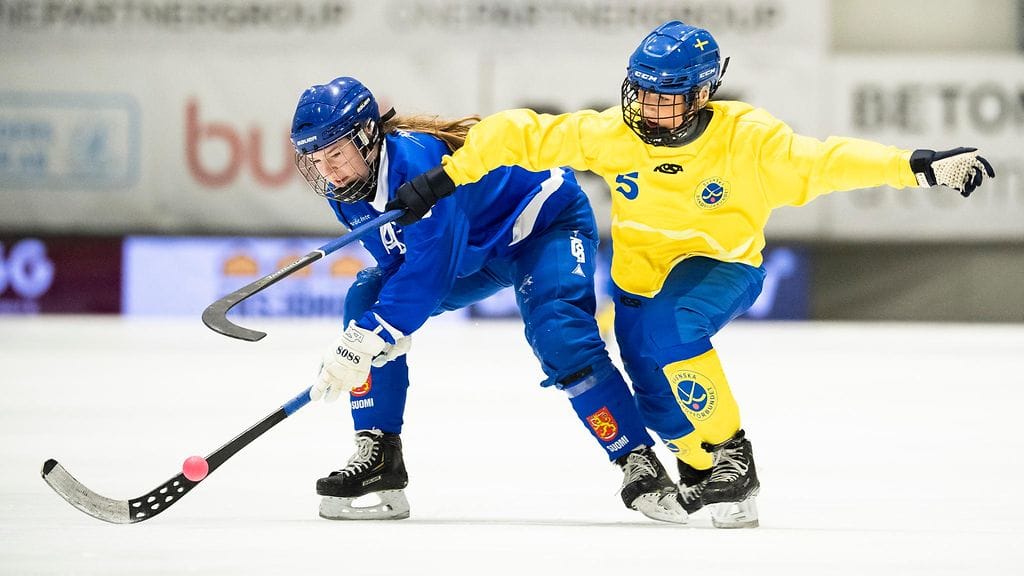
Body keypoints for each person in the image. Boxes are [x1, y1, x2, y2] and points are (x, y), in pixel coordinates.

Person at [385, 21, 996, 529]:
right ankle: (706, 467)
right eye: (641, 93)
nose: (647, 109)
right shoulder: (615, 136)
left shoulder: (750, 142)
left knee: (674, 327)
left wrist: (919, 166)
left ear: (702, 95)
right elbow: (524, 133)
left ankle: (735, 458)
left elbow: (829, 160)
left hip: (721, 267)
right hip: (639, 278)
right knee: (653, 390)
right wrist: (446, 177)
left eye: (665, 98)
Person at [290, 76, 688, 523]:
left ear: (367, 139)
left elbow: (427, 275)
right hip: (476, 250)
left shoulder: (416, 164)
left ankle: (638, 461)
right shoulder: (347, 192)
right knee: (368, 298)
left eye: (337, 154)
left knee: (560, 334)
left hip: (544, 224)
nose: (330, 171)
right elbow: (399, 269)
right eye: (317, 160)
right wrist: (377, 334)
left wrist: (375, 334)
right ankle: (379, 456)